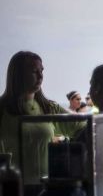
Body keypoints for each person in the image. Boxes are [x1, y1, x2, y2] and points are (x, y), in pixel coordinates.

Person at [0, 51, 83, 186]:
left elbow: (83, 126)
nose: (40, 76)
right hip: (11, 188)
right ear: (18, 75)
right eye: (34, 71)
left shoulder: (48, 108)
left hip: (46, 187)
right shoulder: (2, 109)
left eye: (41, 71)